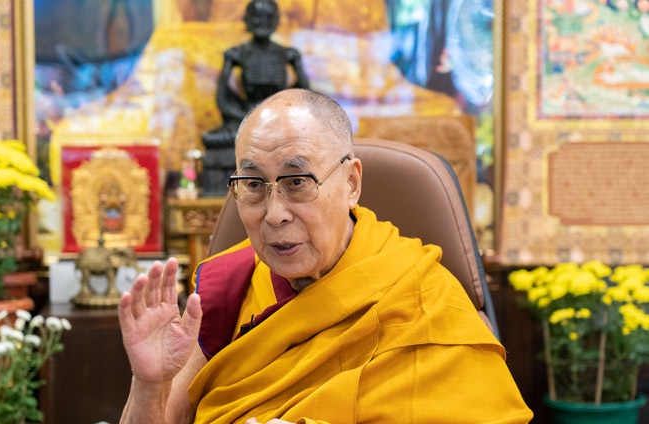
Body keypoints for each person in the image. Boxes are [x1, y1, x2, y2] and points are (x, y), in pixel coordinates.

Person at [118, 88, 533, 423]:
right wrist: (150, 382)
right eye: (253, 184)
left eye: (297, 181)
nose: (274, 214)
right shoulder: (229, 284)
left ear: (351, 183)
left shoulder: (423, 297)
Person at [200, 0, 309, 196]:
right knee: (213, 139)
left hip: (280, 118)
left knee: (304, 138)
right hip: (245, 117)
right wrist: (250, 119)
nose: (262, 22)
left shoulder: (287, 54)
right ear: (247, 20)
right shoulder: (237, 54)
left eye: (268, 17)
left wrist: (297, 67)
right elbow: (223, 101)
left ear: (277, 21)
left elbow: (305, 97)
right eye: (257, 17)